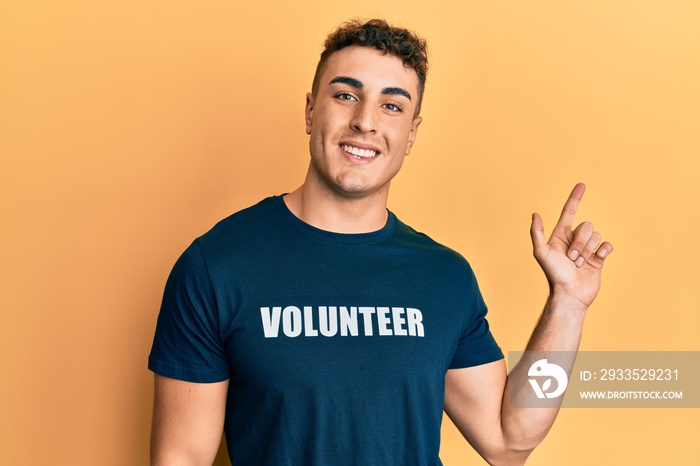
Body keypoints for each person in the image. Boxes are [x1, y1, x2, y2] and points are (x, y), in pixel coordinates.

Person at [148, 18, 613, 466]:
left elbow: (510, 443)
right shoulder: (218, 266)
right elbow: (181, 457)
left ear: (411, 133)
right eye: (346, 95)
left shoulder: (444, 277)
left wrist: (568, 305)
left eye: (392, 105)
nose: (365, 122)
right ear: (311, 111)